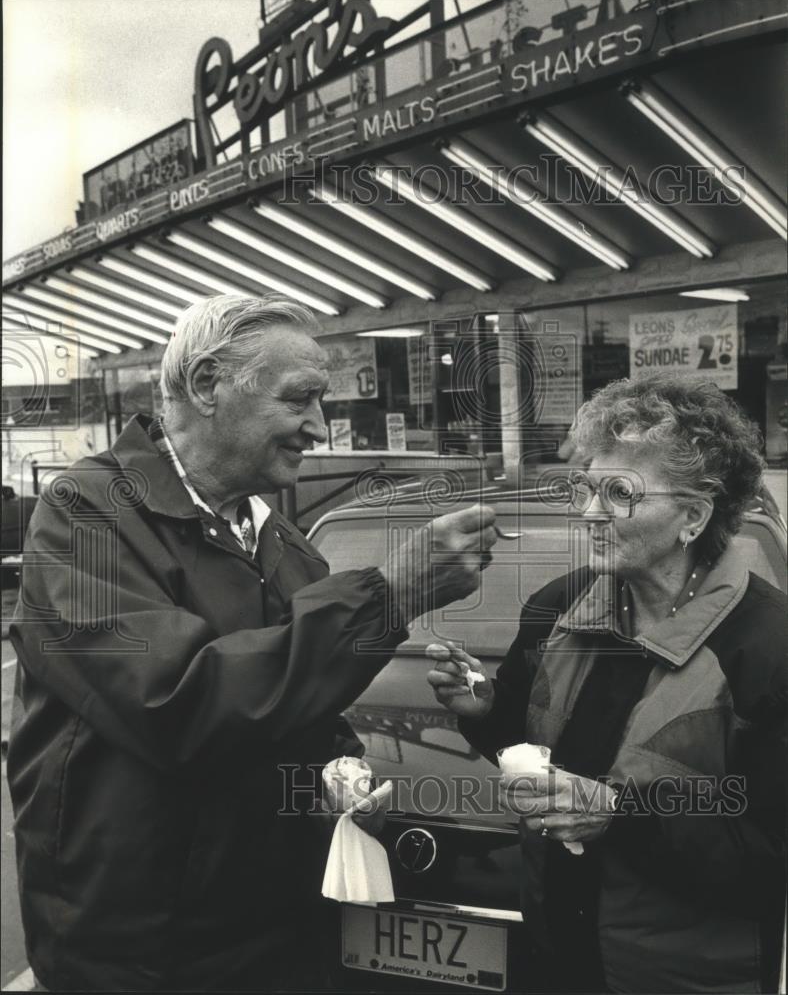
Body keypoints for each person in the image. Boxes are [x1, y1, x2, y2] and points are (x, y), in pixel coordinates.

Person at [8, 294, 498, 992]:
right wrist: (394, 594)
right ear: (207, 385)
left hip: (275, 930)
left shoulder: (281, 540)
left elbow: (299, 704)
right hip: (143, 953)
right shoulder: (85, 516)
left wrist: (342, 774)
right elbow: (179, 701)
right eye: (300, 399)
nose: (320, 428)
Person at [428, 373, 786, 993]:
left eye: (618, 492)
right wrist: (486, 711)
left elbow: (769, 856)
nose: (589, 513)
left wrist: (621, 815)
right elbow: (531, 756)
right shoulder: (556, 608)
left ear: (693, 517)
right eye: (584, 488)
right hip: (555, 961)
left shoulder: (769, 648)